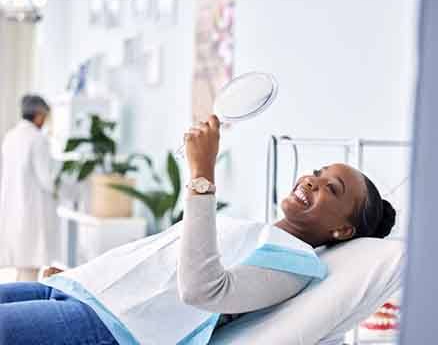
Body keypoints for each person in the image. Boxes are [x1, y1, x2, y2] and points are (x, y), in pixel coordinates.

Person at [0, 115, 396, 345]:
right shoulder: (254, 228)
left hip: (111, 328)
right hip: (79, 289)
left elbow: (202, 290)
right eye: (317, 172)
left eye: (332, 189)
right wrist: (80, 276)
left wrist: (202, 175)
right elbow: (156, 257)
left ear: (344, 231)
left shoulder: (296, 264)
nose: (312, 181)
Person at [0, 94, 59, 281]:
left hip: (13, 206)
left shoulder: (11, 136)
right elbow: (46, 179)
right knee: (31, 265)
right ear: (40, 114)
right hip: (33, 210)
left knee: (22, 265)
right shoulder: (37, 139)